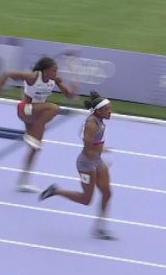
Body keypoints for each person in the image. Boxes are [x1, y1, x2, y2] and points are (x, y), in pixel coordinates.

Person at [0, 56, 77, 192]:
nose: (56, 73)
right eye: (54, 70)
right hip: (25, 109)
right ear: (45, 70)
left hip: (36, 114)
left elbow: (68, 95)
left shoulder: (55, 79)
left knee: (34, 148)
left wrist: (73, 88)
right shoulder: (32, 77)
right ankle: (34, 132)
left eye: (56, 71)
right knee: (53, 108)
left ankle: (23, 181)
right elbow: (7, 74)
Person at [40, 92, 115, 240]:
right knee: (86, 200)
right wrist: (100, 159)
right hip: (86, 164)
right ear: (98, 111)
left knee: (107, 193)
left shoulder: (99, 121)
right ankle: (56, 191)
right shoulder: (92, 125)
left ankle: (99, 228)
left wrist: (101, 152)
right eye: (107, 109)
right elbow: (87, 150)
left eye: (110, 108)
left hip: (96, 161)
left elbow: (94, 144)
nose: (110, 111)